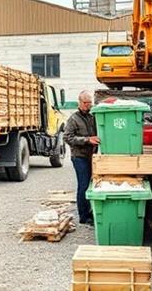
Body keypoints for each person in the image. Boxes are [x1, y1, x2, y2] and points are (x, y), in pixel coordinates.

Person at [64, 91, 99, 225]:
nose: (88, 105)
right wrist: (87, 140)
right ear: (79, 102)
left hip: (91, 156)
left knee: (90, 185)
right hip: (79, 157)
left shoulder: (91, 117)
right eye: (85, 103)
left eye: (89, 103)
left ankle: (89, 211)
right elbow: (67, 137)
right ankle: (83, 216)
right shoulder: (73, 119)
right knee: (83, 185)